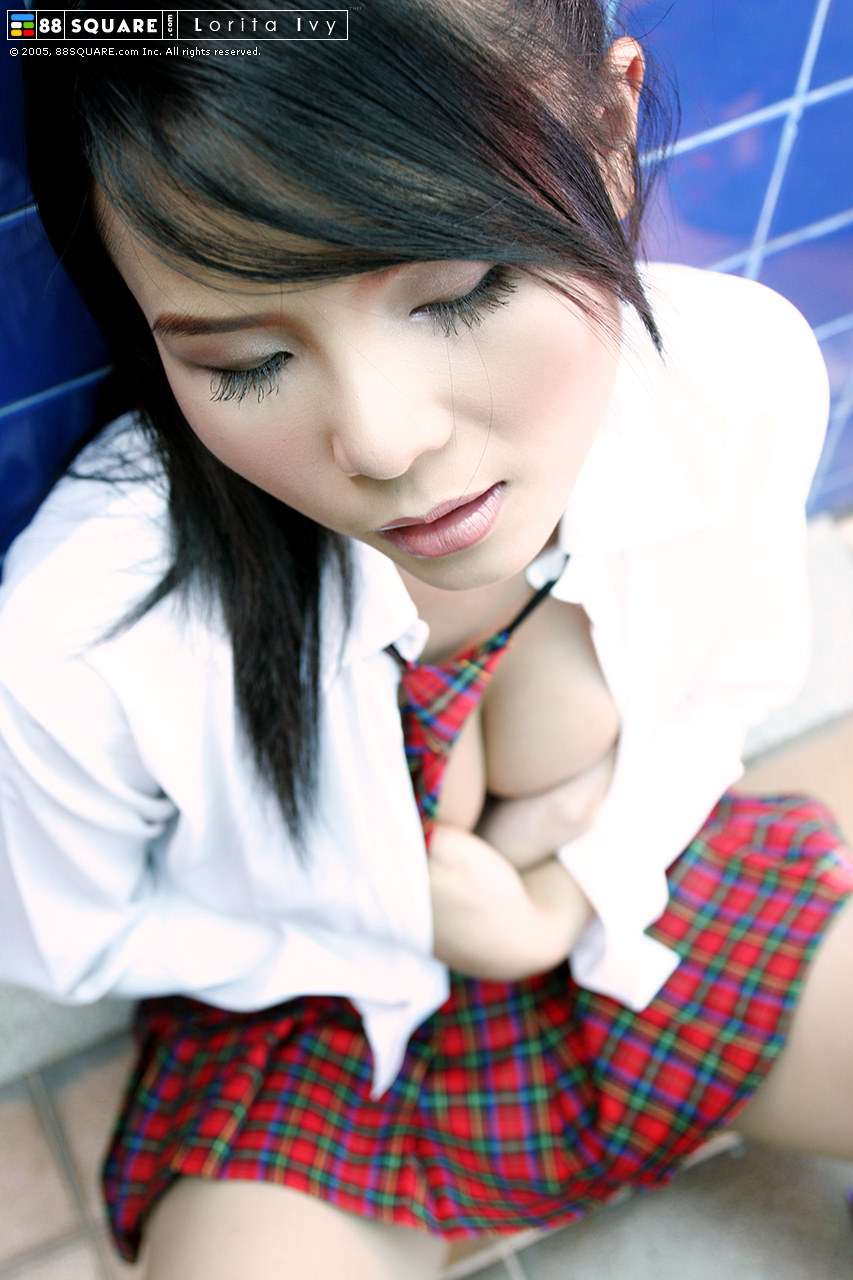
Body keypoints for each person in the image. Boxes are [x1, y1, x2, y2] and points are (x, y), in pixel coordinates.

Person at [4, 2, 853, 1276]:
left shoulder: (732, 379)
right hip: (312, 1013)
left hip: (630, 892)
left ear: (611, 128)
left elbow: (720, 692)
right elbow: (70, 934)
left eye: (460, 289)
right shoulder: (86, 631)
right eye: (246, 361)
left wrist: (555, 903)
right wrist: (399, 918)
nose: (382, 438)